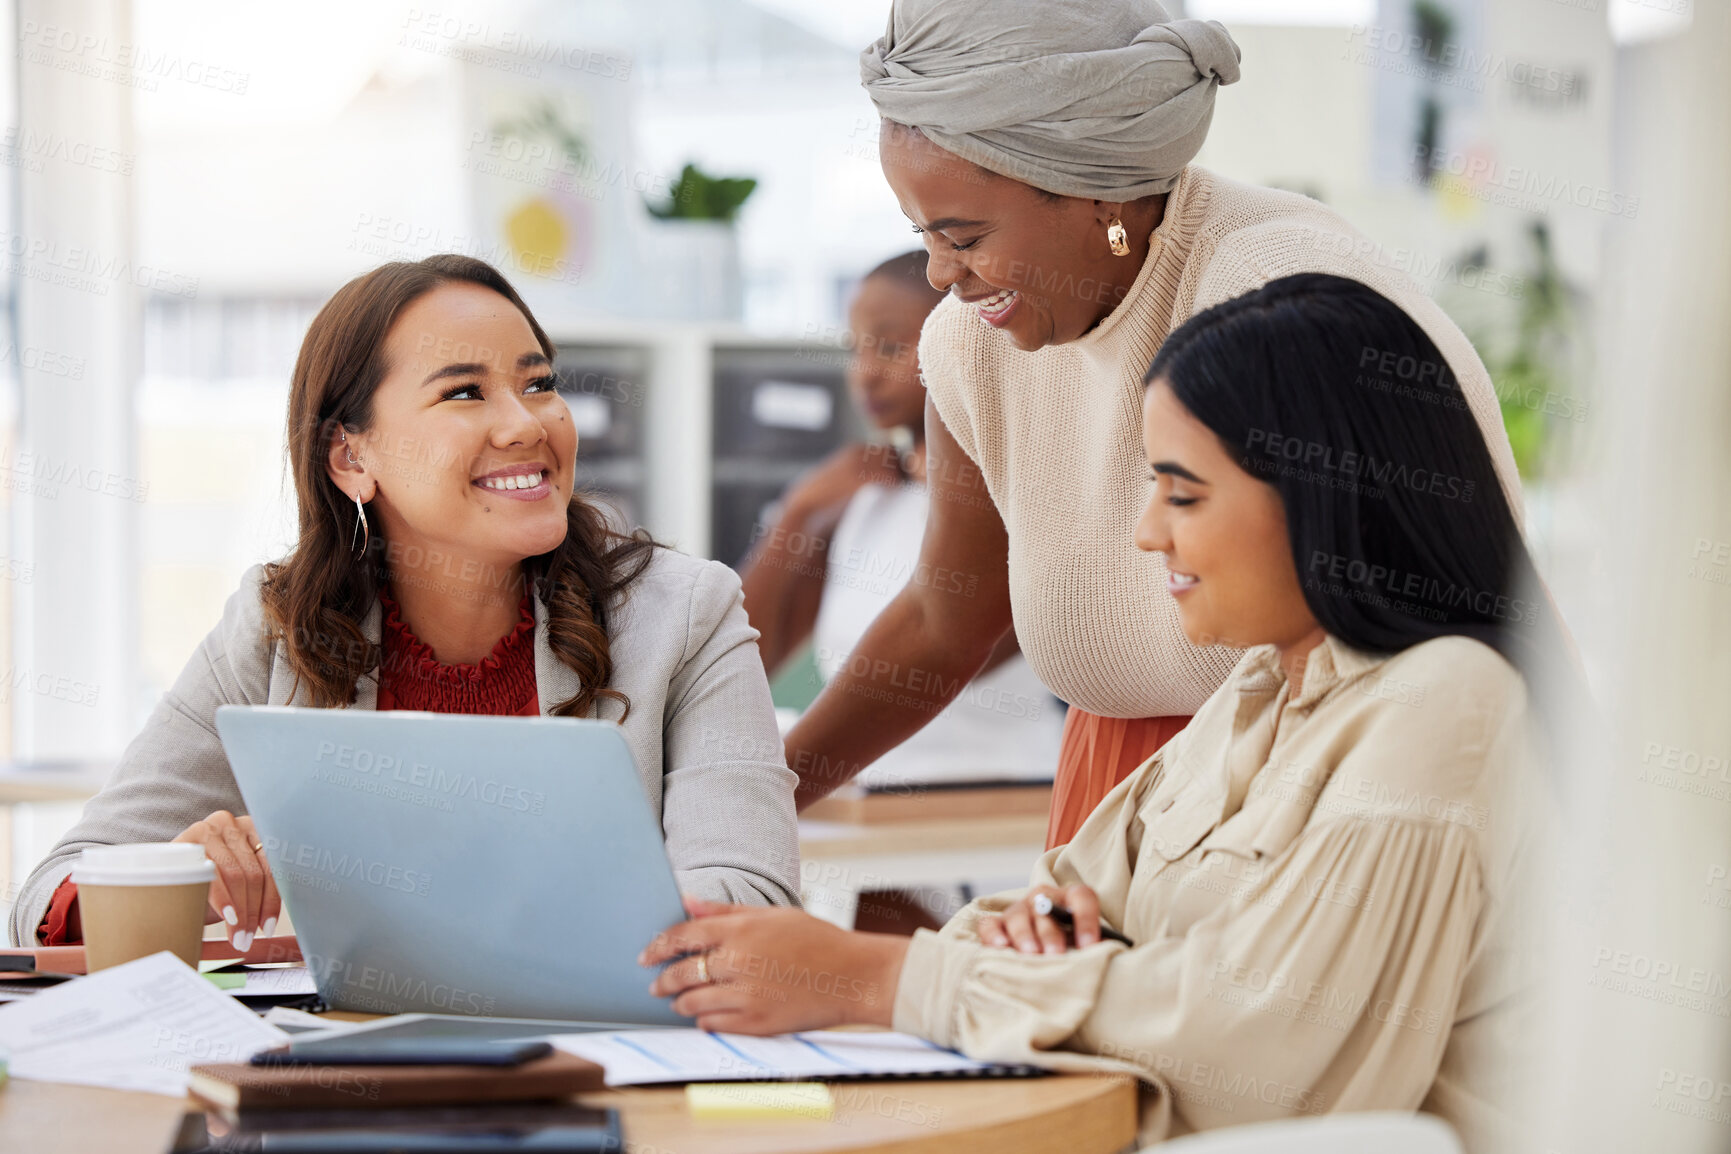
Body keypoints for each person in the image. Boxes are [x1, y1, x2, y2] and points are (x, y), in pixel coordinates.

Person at [639, 276, 1567, 1152]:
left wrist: (874, 976)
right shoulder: (1256, 691)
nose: (1147, 530)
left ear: (1326, 496)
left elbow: (1267, 1049)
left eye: (1183, 492)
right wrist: (1042, 948)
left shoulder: (1446, 702)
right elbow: (1042, 903)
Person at [785, 0, 1529, 854]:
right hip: (1112, 796)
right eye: (922, 234)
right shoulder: (971, 343)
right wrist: (763, 795)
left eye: (966, 235)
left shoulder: (1275, 290)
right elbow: (945, 612)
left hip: (1323, 791)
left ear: (1097, 188)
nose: (940, 275)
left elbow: (1409, 633)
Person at [9, 254, 801, 951]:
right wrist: (183, 872)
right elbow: (47, 895)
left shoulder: (683, 613)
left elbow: (754, 901)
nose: (528, 423)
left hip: (609, 1065)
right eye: (465, 393)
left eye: (539, 383)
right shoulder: (275, 625)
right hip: (350, 1075)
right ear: (351, 456)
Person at [740, 250, 1062, 794]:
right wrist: (800, 511)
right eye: (855, 348)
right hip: (860, 797)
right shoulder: (862, 499)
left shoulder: (1021, 498)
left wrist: (773, 785)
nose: (864, 372)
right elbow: (744, 660)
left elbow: (934, 658)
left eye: (890, 347)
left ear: (967, 339)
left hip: (987, 800)